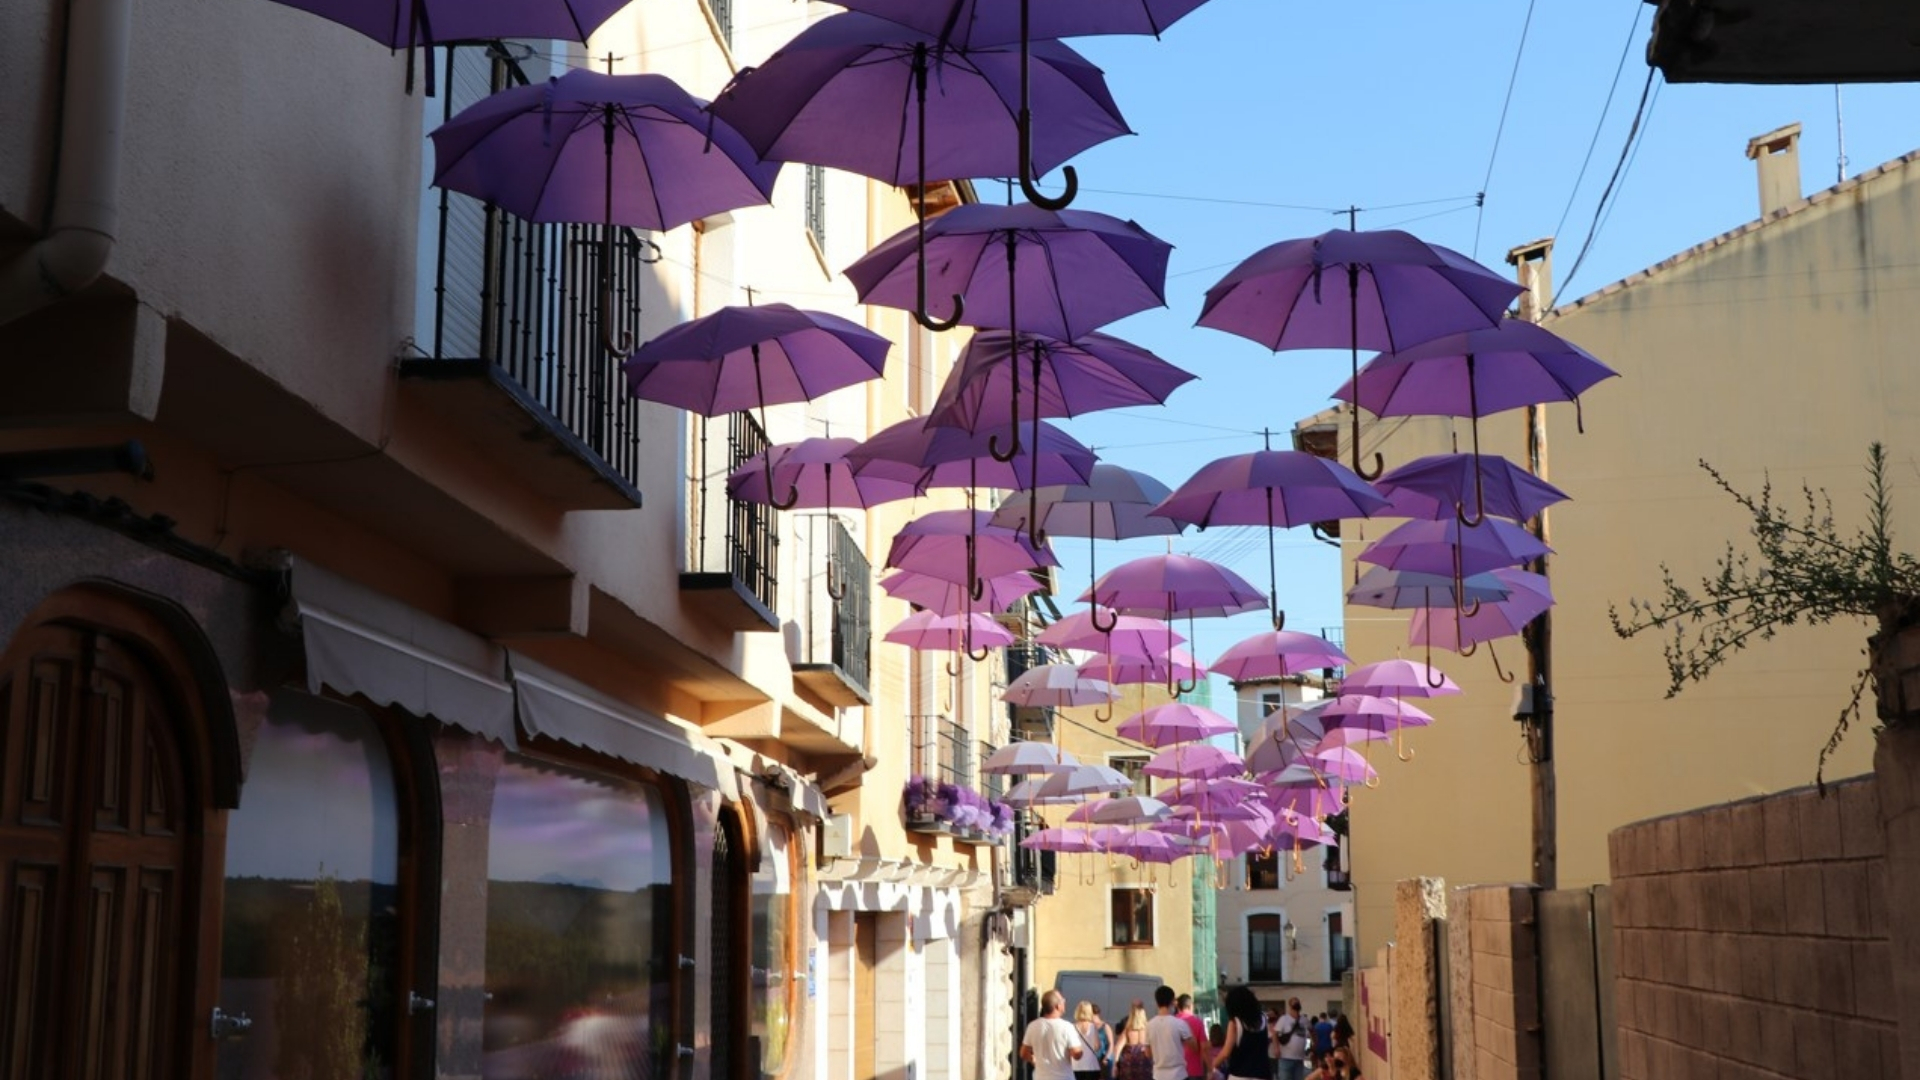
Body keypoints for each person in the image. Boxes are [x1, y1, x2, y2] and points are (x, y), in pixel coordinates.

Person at [1023, 990, 1085, 1080]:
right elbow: (1076, 1054)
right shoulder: (1067, 1027)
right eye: (1063, 1000)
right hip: (1063, 1077)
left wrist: (1034, 1060)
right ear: (1057, 1006)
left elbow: (1024, 1053)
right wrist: (1080, 1051)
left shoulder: (1032, 1026)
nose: (1065, 1002)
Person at [1210, 987, 1269, 1080]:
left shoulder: (1235, 1023)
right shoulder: (1263, 1019)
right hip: (1263, 1074)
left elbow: (1226, 1052)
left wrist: (1212, 1066)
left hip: (1239, 1074)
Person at [1145, 986, 1192, 1080]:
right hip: (1179, 1074)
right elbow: (1193, 1046)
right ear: (1172, 1002)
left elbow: (1148, 1053)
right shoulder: (1180, 1024)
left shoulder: (1149, 1025)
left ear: (1156, 1002)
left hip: (1158, 1075)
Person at [1113, 1000, 1154, 1080]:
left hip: (1129, 1065)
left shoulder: (1127, 1031)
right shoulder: (1149, 1030)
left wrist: (1115, 1065)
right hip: (1145, 1065)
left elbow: (1117, 1048)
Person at [1269, 998, 1308, 1080]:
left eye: (1297, 1002)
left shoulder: (1304, 1020)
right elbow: (1275, 1034)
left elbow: (1312, 1031)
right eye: (1294, 1003)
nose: (1296, 1004)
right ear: (1290, 1006)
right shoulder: (1284, 1019)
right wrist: (1276, 1049)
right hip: (1285, 1058)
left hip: (1299, 1059)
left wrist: (1314, 1044)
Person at [1174, 994, 1208, 1080]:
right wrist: (1210, 1068)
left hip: (1176, 1071)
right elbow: (1204, 1047)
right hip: (1194, 1070)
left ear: (1178, 1007)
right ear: (1190, 1006)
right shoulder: (1197, 1022)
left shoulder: (1172, 1022)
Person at [1072, 1001, 1105, 1080]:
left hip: (1076, 1065)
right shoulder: (1093, 1027)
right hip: (1091, 1065)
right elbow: (1097, 1046)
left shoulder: (1072, 1027)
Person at [1092, 1003, 1116, 1079]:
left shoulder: (1105, 1026)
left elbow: (1111, 1043)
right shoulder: (1091, 1026)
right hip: (1095, 1058)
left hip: (1104, 1057)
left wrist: (1106, 1057)